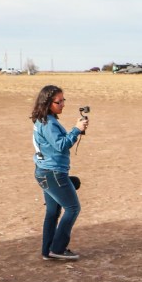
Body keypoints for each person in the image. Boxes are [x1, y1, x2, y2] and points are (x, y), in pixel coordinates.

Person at [30, 85, 89, 261]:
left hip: (45, 172)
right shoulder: (48, 123)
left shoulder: (46, 119)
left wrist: (77, 129)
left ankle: (48, 250)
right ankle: (58, 248)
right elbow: (61, 145)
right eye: (59, 101)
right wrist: (76, 129)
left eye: (64, 100)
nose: (63, 104)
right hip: (53, 173)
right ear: (48, 103)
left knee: (53, 212)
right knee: (73, 208)